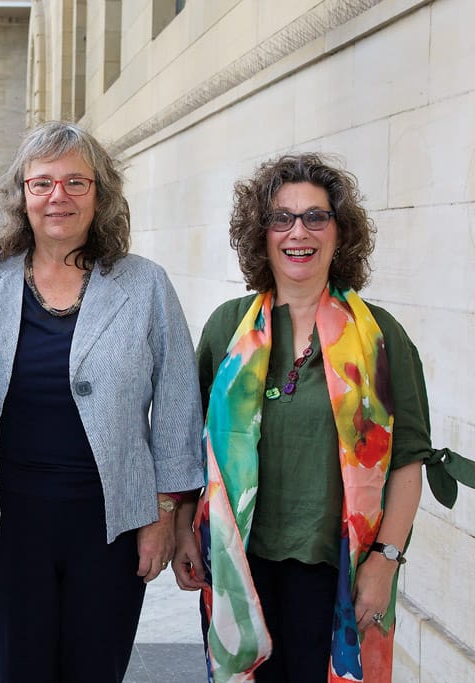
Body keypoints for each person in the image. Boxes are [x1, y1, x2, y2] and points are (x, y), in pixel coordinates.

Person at [0, 121, 204, 683]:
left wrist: (165, 514)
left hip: (111, 524)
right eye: (41, 183)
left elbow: (176, 406)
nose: (58, 197)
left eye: (76, 182)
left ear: (101, 194)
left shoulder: (145, 284)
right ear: (21, 195)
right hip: (5, 522)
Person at [180, 153, 429, 682]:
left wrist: (386, 560)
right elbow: (185, 441)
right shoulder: (228, 327)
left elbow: (409, 460)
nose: (299, 232)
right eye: (282, 218)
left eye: (316, 216)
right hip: (237, 564)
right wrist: (182, 529)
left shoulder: (381, 337)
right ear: (261, 233)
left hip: (339, 569)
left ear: (341, 233)